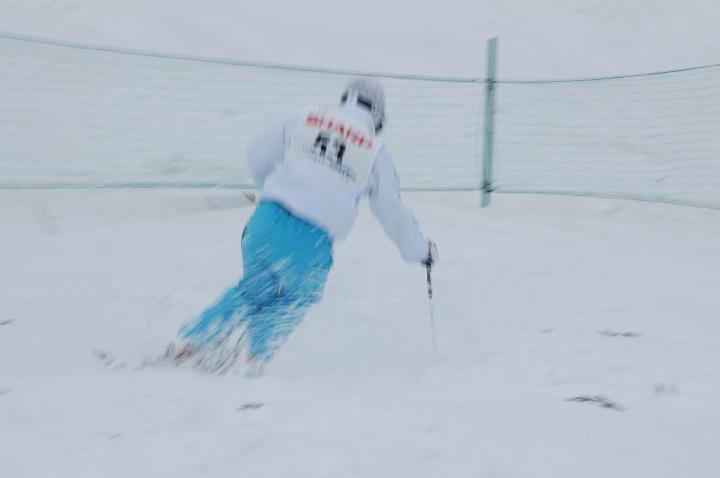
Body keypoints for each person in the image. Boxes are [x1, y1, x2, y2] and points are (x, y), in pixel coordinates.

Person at [173, 78, 438, 373]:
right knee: (297, 298)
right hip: (310, 239)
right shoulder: (375, 150)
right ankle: (252, 357)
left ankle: (191, 343)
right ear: (378, 116)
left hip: (266, 220)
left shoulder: (304, 116)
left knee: (252, 291)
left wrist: (274, 189)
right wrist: (420, 251)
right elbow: (391, 210)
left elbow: (257, 152)